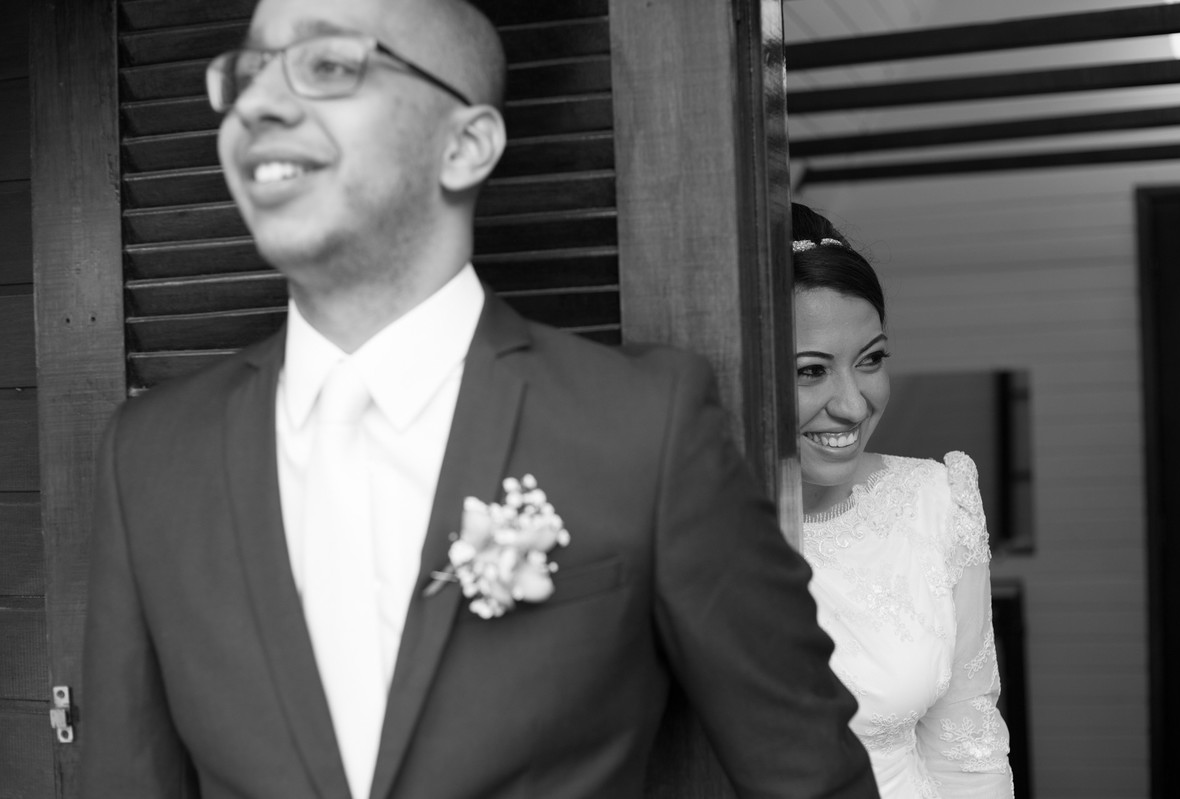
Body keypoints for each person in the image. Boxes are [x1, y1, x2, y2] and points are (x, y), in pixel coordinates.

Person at [77, 0, 879, 797]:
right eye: (248, 73)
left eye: (326, 65)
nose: (257, 105)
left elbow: (811, 777)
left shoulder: (642, 427)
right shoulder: (149, 454)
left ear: (464, 146)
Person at [787, 202, 1014, 797]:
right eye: (811, 371)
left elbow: (970, 746)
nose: (853, 405)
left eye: (871, 361)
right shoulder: (687, 526)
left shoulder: (936, 500)